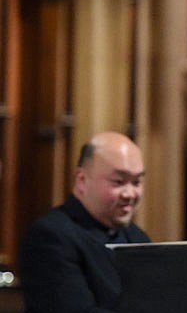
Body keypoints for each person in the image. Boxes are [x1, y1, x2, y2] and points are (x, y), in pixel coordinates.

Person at [20, 131, 149, 313]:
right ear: (81, 180)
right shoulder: (51, 237)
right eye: (119, 181)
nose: (130, 194)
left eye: (136, 182)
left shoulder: (137, 236)